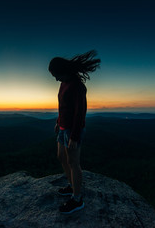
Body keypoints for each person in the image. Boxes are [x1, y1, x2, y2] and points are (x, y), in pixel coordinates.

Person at [48, 50, 100, 214]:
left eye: (56, 75)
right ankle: (71, 186)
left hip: (73, 130)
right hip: (63, 127)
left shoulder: (78, 86)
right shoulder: (63, 83)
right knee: (61, 157)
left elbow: (80, 113)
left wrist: (74, 136)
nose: (56, 79)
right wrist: (58, 121)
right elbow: (62, 106)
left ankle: (77, 199)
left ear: (64, 71)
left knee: (73, 163)